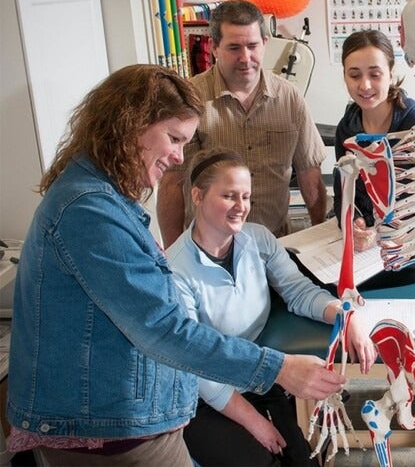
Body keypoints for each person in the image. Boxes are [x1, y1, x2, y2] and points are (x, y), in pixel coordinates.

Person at [6, 64, 346, 466]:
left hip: (133, 416)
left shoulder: (106, 200)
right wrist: (278, 368)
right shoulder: (89, 212)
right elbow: (164, 329)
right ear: (129, 124)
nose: (178, 156)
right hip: (110, 429)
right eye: (173, 138)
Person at [167, 147, 377, 466]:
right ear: (197, 196)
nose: (241, 207)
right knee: (266, 460)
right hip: (202, 397)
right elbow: (199, 371)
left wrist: (347, 316)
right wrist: (256, 423)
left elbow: (299, 292)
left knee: (302, 461)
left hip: (258, 376)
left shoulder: (259, 240)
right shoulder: (176, 269)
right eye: (229, 196)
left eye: (246, 197)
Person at [157, 0, 327, 247]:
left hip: (274, 243)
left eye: (252, 46)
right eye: (234, 48)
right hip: (210, 247)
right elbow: (173, 182)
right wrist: (173, 256)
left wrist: (319, 235)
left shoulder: (290, 98)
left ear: (265, 44)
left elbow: (309, 173)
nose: (245, 57)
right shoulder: (190, 100)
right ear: (214, 47)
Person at [333, 29, 415, 252]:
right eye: (354, 75)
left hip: (412, 245)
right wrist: (354, 224)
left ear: (390, 73)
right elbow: (343, 196)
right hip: (367, 251)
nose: (365, 85)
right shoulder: (346, 129)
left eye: (375, 74)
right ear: (344, 76)